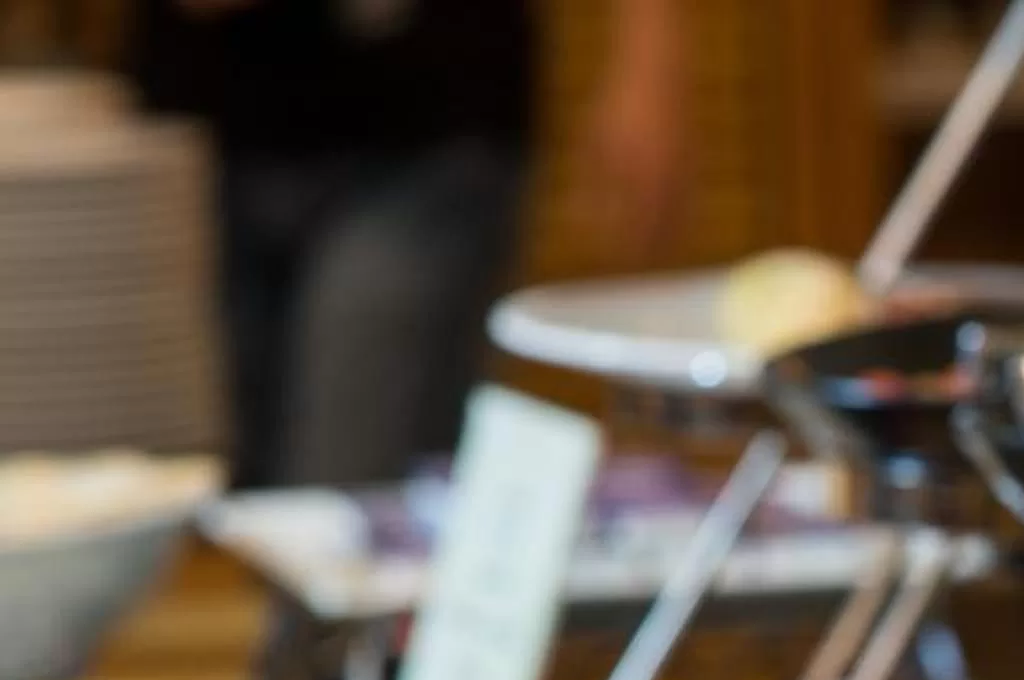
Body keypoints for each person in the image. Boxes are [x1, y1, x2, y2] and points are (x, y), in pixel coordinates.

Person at [130, 0, 689, 490]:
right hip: (208, 126)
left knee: (345, 484)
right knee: (243, 500)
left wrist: (648, 62)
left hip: (426, 123)